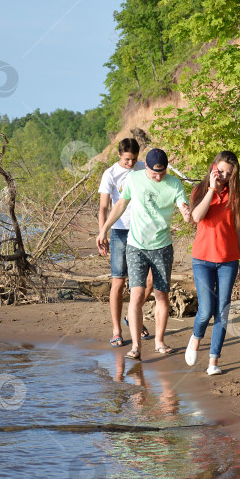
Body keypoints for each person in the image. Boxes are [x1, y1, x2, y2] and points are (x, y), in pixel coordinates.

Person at [96, 148, 191, 360]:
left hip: (162, 246)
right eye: (154, 173)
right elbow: (121, 203)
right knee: (137, 295)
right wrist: (104, 230)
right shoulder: (134, 178)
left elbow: (183, 208)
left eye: (162, 173)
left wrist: (186, 211)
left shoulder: (174, 183)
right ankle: (136, 347)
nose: (158, 177)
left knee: (161, 295)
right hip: (136, 246)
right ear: (145, 167)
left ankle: (159, 341)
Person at [184, 151, 240, 375]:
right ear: (213, 168)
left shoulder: (235, 195)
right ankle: (196, 337)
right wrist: (211, 189)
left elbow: (238, 230)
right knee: (206, 309)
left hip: (228, 260)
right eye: (220, 171)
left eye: (227, 174)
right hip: (202, 260)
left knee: (222, 311)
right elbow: (197, 217)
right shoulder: (199, 191)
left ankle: (213, 362)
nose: (222, 176)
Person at [98, 138, 155, 348]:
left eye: (134, 159)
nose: (131, 164)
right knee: (119, 282)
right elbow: (104, 207)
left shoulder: (143, 168)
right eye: (127, 159)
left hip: (143, 231)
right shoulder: (110, 174)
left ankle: (132, 316)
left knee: (149, 281)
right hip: (120, 231)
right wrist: (102, 232)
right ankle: (116, 331)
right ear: (119, 156)